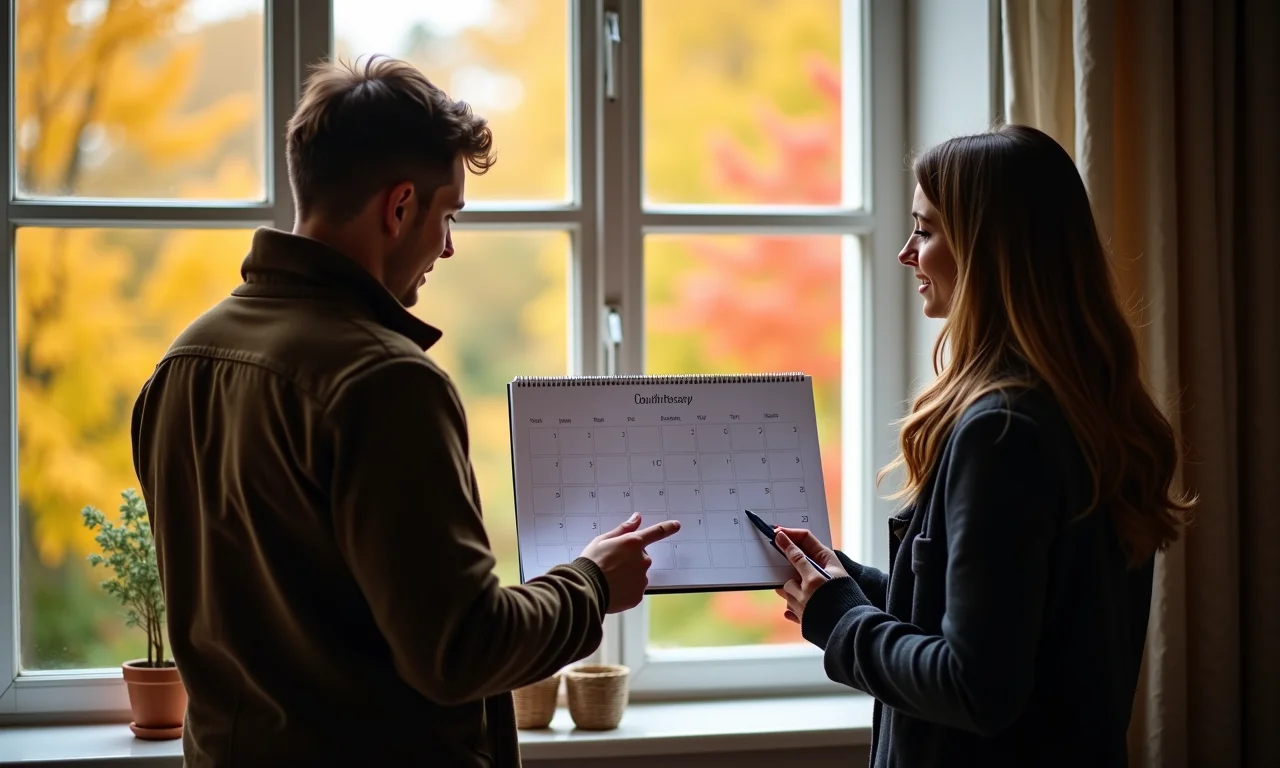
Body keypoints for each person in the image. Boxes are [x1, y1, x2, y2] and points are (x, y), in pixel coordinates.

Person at [129, 55, 678, 767]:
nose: (446, 247)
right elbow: (461, 649)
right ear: (398, 207)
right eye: (446, 216)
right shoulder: (385, 381)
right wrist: (592, 585)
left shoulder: (181, 363)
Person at [769, 124, 1196, 766]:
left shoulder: (1002, 434)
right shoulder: (1086, 408)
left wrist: (837, 619)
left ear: (988, 251)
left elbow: (975, 687)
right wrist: (846, 584)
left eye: (925, 230)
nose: (906, 253)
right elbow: (1005, 625)